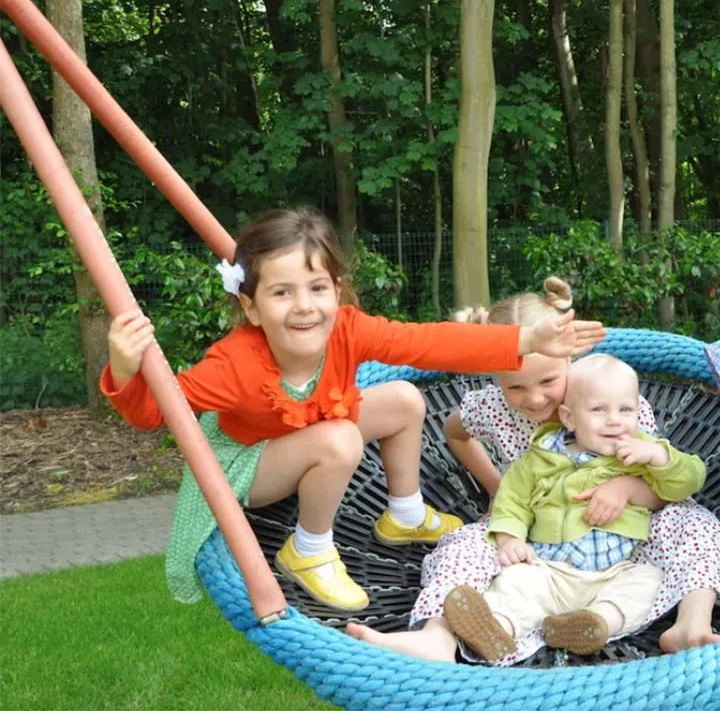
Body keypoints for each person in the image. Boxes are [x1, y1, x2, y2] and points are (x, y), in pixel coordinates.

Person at [100, 210, 606, 613]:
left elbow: (429, 343)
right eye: (282, 293)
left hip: (313, 431)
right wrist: (125, 370)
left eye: (317, 288)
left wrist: (526, 338)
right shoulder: (232, 365)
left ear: (336, 292)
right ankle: (310, 548)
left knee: (405, 399)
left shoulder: (347, 327)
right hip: (249, 464)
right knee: (340, 437)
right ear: (252, 308)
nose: (304, 306)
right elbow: (153, 413)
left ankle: (404, 515)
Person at [347, 278, 719, 660]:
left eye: (548, 381)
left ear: (568, 360)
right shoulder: (491, 407)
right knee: (461, 546)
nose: (535, 398)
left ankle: (691, 623)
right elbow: (454, 433)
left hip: (626, 536)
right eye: (515, 387)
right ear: (493, 374)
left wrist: (625, 489)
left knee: (696, 523)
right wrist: (495, 486)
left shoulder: (609, 400)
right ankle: (438, 636)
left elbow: (661, 482)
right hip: (534, 539)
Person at [442, 353, 706, 661]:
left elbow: (688, 480)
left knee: (647, 582)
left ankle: (595, 623)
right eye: (598, 410)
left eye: (626, 410)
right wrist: (510, 538)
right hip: (549, 569)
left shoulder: (642, 451)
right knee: (516, 583)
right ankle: (496, 629)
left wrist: (660, 457)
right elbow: (511, 500)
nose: (614, 420)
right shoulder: (540, 457)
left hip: (616, 571)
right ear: (569, 418)